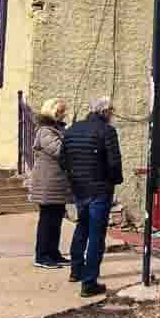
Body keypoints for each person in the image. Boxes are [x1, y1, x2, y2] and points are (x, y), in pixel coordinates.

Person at [60, 96, 123, 297]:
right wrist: (114, 181)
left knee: (82, 226)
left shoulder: (71, 130)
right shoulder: (107, 131)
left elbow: (63, 159)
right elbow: (114, 162)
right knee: (96, 234)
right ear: (105, 112)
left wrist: (74, 177)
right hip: (99, 188)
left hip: (79, 187)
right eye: (111, 112)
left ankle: (76, 271)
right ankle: (89, 282)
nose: (112, 115)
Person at [29, 98, 71, 269]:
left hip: (56, 184)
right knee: (47, 221)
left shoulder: (56, 130)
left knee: (56, 220)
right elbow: (60, 150)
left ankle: (53, 253)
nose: (63, 114)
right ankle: (42, 256)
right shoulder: (46, 131)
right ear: (53, 112)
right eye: (60, 112)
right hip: (48, 184)